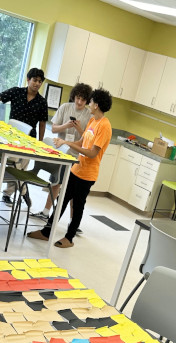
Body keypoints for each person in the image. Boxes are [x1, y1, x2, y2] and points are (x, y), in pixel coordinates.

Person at [27, 88, 112, 248]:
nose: (89, 104)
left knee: (78, 205)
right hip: (76, 169)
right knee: (62, 200)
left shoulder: (104, 126)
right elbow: (82, 142)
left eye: (91, 101)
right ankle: (46, 232)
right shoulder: (93, 121)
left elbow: (93, 152)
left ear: (96, 105)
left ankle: (69, 237)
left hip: (87, 174)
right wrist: (67, 143)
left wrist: (67, 143)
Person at [30, 83, 93, 220]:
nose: (79, 102)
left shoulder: (89, 115)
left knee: (73, 190)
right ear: (74, 96)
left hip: (76, 155)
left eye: (83, 99)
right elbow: (53, 129)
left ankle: (72, 221)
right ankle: (46, 212)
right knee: (55, 182)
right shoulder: (65, 107)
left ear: (87, 100)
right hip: (60, 152)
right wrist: (67, 125)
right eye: (77, 98)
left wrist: (79, 129)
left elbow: (87, 139)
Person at [0, 67, 48, 140]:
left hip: (29, 137)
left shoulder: (42, 102)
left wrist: (40, 141)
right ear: (28, 79)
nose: (37, 84)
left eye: (40, 82)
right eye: (35, 80)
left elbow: (42, 124)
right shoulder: (16, 92)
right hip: (11, 132)